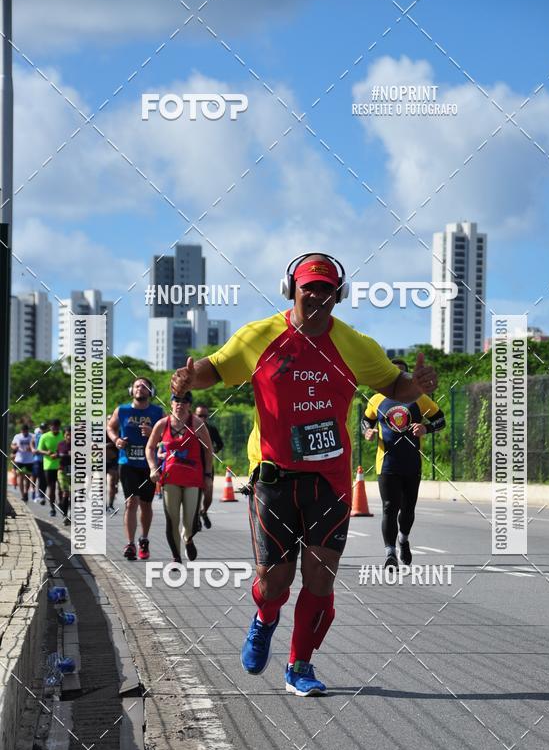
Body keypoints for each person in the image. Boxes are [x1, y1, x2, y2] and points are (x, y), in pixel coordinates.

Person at [171, 252, 437, 697]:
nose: (316, 295)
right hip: (274, 479)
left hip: (329, 481)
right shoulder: (259, 336)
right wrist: (186, 378)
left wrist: (418, 387)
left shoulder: (356, 345)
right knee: (273, 584)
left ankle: (300, 665)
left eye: (326, 288)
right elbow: (213, 370)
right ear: (290, 289)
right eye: (308, 286)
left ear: (339, 295)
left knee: (320, 578)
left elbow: (394, 386)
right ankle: (265, 619)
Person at [363, 358, 446, 567]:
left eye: (403, 375)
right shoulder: (377, 399)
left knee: (407, 509)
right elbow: (366, 421)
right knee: (389, 507)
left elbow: (440, 419)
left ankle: (403, 539)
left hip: (411, 463)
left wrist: (427, 428)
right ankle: (390, 553)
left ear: (408, 377)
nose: (398, 379)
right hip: (387, 463)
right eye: (394, 374)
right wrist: (367, 432)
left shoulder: (419, 399)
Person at [146, 392, 213, 563]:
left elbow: (208, 450)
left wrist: (207, 475)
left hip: (193, 478)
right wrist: (153, 468)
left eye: (184, 401)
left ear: (189, 405)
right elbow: (150, 447)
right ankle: (176, 557)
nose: (180, 404)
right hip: (170, 478)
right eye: (176, 400)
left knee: (190, 520)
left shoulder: (197, 423)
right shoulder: (162, 424)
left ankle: (188, 538)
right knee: (172, 519)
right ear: (171, 403)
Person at [107, 378, 163, 560]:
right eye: (137, 386)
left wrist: (154, 432)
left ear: (150, 391)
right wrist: (116, 440)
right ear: (132, 390)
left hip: (149, 465)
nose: (140, 389)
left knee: (146, 505)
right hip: (127, 463)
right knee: (131, 502)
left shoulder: (157, 412)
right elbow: (110, 427)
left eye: (145, 386)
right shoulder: (122, 410)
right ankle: (130, 543)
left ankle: (144, 540)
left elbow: (169, 432)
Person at [194, 403, 223, 530]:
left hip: (208, 465)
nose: (203, 419)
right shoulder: (189, 429)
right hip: (194, 465)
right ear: (195, 415)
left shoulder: (211, 429)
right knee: (196, 494)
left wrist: (213, 450)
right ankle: (195, 519)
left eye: (205, 416)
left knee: (209, 494)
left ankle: (204, 511)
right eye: (200, 415)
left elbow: (220, 444)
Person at [37, 419, 64, 517]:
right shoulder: (45, 436)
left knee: (62, 488)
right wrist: (46, 453)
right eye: (53, 426)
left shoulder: (63, 434)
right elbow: (39, 450)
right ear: (50, 427)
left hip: (61, 465)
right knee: (52, 488)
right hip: (49, 466)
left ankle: (62, 504)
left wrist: (59, 454)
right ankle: (52, 508)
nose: (55, 428)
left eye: (57, 427)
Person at [10, 422, 36, 502]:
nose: (24, 432)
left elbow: (36, 446)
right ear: (21, 431)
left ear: (28, 430)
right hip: (19, 459)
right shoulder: (17, 436)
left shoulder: (32, 436)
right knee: (20, 477)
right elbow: (12, 445)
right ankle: (23, 494)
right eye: (23, 431)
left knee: (27, 478)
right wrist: (15, 447)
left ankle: (26, 492)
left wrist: (31, 448)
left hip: (29, 460)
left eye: (26, 431)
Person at [56, 426, 72, 525]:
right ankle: (65, 515)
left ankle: (69, 515)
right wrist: (55, 455)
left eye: (71, 435)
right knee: (65, 493)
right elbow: (57, 454)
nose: (69, 437)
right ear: (64, 435)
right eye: (67, 435)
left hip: (74, 470)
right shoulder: (60, 444)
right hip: (62, 470)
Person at [106, 418, 120, 512]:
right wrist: (106, 446)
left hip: (114, 461)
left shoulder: (120, 431)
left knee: (112, 483)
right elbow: (92, 445)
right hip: (101, 460)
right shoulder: (101, 432)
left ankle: (110, 505)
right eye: (108, 419)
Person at [32, 421, 48, 503]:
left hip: (45, 460)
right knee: (36, 477)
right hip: (37, 459)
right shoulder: (37, 435)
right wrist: (32, 449)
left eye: (44, 428)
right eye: (42, 428)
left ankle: (41, 495)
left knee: (43, 479)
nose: (43, 430)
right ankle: (34, 493)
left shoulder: (47, 436)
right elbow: (32, 442)